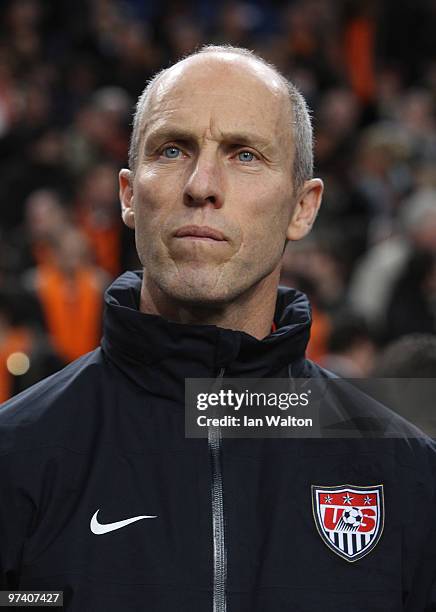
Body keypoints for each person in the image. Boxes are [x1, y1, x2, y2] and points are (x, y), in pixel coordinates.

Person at [0, 45, 435, 611]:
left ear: (303, 208)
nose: (202, 185)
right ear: (129, 196)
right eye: (173, 149)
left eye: (245, 155)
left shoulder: (408, 475)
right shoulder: (17, 459)